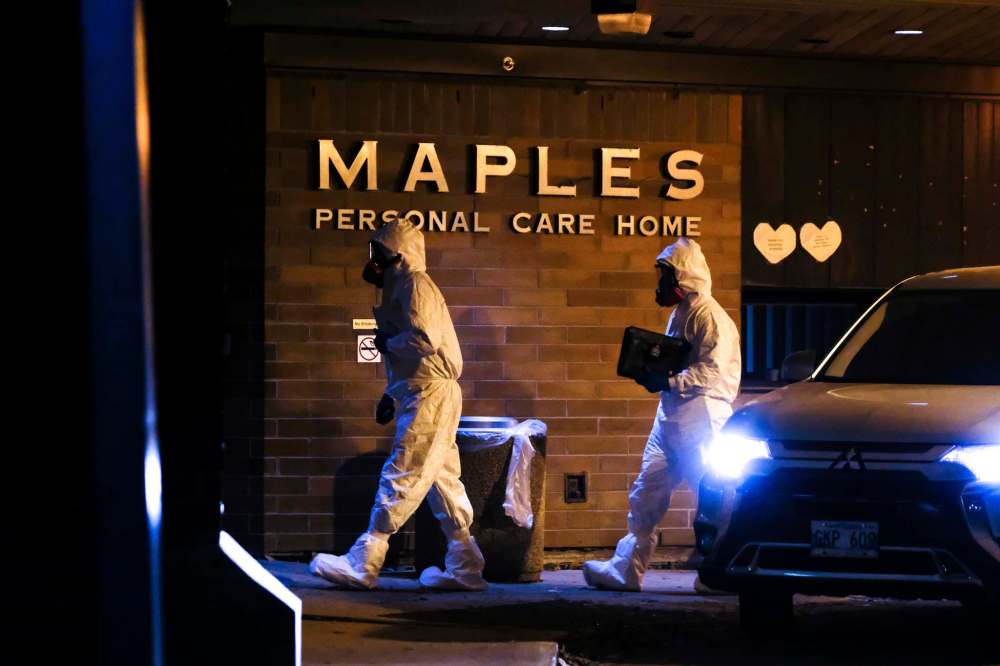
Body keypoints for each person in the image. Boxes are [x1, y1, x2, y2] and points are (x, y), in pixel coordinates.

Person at [309, 219, 487, 591]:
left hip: (429, 395)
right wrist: (391, 394)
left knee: (403, 471)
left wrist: (387, 345)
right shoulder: (400, 289)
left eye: (379, 253)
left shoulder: (415, 284)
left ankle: (366, 560)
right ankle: (465, 565)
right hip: (419, 392)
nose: (373, 262)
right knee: (440, 480)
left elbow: (424, 340)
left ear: (398, 255)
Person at [583, 238, 741, 592]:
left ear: (681, 278)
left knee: (715, 498)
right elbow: (676, 362)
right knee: (647, 491)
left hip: (702, 417)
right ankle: (627, 569)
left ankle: (719, 573)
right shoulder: (682, 313)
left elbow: (712, 373)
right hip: (672, 417)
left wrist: (669, 380)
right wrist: (654, 371)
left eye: (664, 276)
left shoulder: (710, 316)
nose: (659, 284)